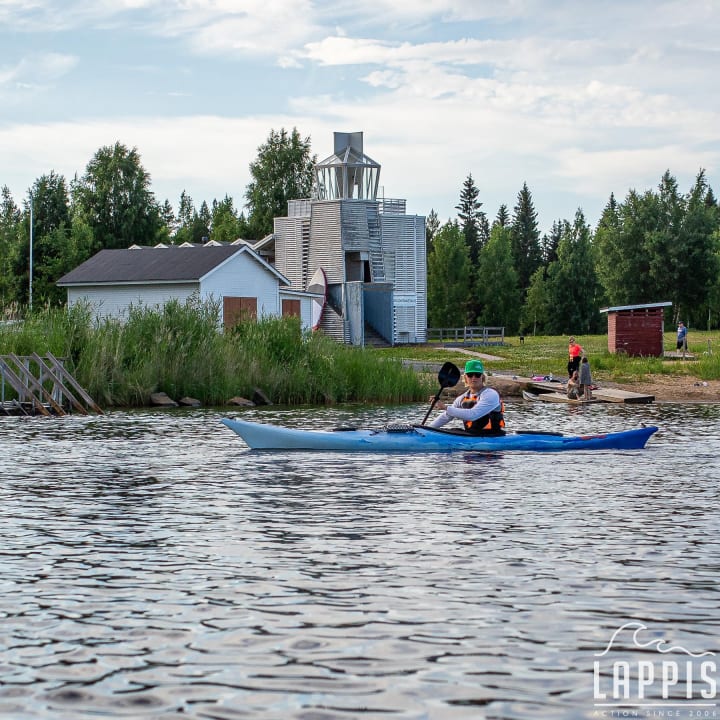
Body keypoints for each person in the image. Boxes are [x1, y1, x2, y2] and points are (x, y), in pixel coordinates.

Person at [428, 359, 505, 434]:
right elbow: (447, 416)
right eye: (470, 375)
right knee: (453, 430)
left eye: (477, 375)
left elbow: (473, 415)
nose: (473, 378)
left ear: (483, 377)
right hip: (471, 436)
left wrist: (445, 407)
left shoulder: (490, 394)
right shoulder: (461, 398)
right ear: (465, 377)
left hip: (492, 437)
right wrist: (427, 429)